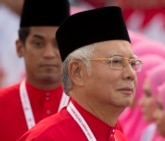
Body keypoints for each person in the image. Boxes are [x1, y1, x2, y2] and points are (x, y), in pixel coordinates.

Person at [18, 6, 143, 141]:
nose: (130, 74)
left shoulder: (119, 137)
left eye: (132, 63)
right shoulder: (46, 138)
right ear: (77, 72)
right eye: (116, 61)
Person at [0, 0, 70, 140]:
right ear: (20, 48)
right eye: (38, 43)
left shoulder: (89, 107)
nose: (49, 53)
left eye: (57, 44)